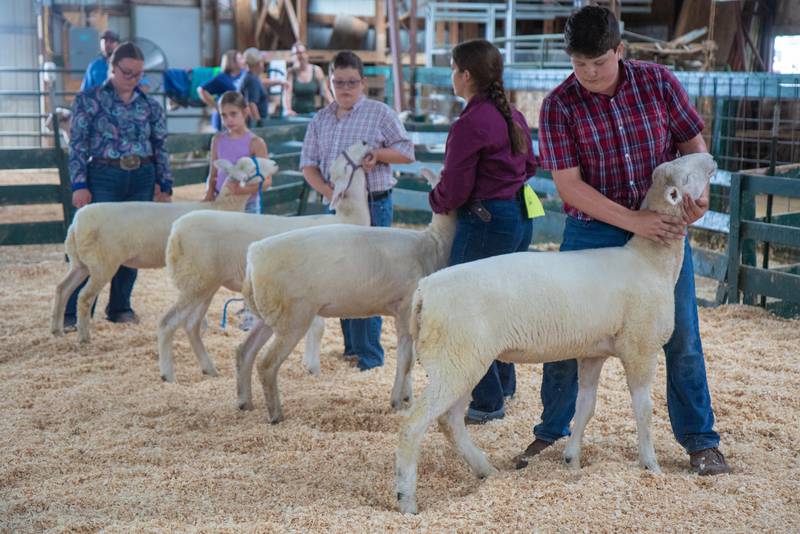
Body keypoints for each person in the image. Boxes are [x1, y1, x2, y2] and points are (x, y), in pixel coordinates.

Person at [514, 5, 731, 476]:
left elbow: (695, 146)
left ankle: (700, 441)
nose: (589, 73)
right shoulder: (558, 104)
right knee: (565, 334)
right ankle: (552, 434)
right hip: (595, 228)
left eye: (599, 62)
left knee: (681, 336)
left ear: (620, 50)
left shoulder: (658, 82)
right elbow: (568, 186)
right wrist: (634, 221)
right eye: (579, 64)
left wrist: (697, 196)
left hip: (662, 232)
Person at [429, 39, 536, 424]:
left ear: (466, 75)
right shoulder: (514, 116)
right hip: (520, 217)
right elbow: (531, 167)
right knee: (503, 305)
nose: (452, 77)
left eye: (453, 69)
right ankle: (503, 385)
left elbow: (454, 188)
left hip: (486, 221)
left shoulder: (470, 124)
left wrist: (435, 199)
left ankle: (487, 401)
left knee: (468, 306)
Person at [299, 50, 414, 371]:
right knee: (340, 276)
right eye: (339, 82)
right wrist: (329, 191)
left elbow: (406, 152)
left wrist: (377, 154)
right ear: (330, 83)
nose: (345, 88)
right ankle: (351, 349)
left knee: (369, 280)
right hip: (336, 210)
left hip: (374, 204)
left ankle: (369, 356)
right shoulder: (320, 119)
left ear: (363, 82)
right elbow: (307, 165)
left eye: (351, 82)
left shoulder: (379, 113)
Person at [64, 41, 172, 330]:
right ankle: (74, 313)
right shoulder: (89, 100)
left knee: (132, 243)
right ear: (111, 68)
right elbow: (76, 145)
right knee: (94, 243)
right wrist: (79, 183)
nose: (134, 79)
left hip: (142, 176)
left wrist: (165, 183)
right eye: (128, 73)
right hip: (103, 174)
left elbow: (161, 145)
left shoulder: (150, 105)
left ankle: (120, 307)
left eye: (138, 74)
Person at [203, 91, 270, 215]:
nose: (229, 120)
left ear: (245, 112)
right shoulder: (217, 140)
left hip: (247, 206)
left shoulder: (256, 143)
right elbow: (213, 174)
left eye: (233, 114)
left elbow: (266, 182)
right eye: (224, 115)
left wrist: (242, 190)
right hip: (221, 202)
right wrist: (209, 193)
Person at [198, 49, 245, 131]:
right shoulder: (222, 77)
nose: (243, 61)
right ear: (232, 61)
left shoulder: (243, 74)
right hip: (224, 120)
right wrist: (215, 106)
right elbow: (201, 90)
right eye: (240, 58)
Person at [283, 42, 333, 116]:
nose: (300, 56)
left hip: (311, 113)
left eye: (302, 53)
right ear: (292, 56)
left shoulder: (316, 70)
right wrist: (288, 110)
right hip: (295, 114)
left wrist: (334, 107)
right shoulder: (290, 72)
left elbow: (325, 91)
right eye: (296, 53)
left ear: (306, 54)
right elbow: (287, 93)